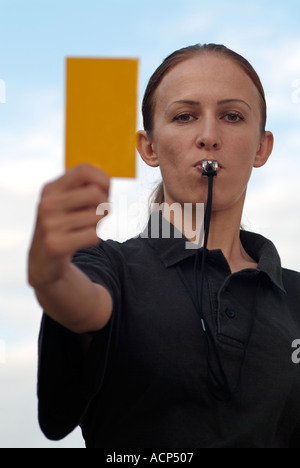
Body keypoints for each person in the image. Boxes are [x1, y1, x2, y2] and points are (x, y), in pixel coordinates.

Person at [28, 43, 300, 448]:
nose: (209, 136)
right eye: (185, 116)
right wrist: (51, 274)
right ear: (149, 147)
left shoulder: (295, 295)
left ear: (261, 147)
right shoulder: (107, 263)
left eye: (232, 116)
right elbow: (84, 302)